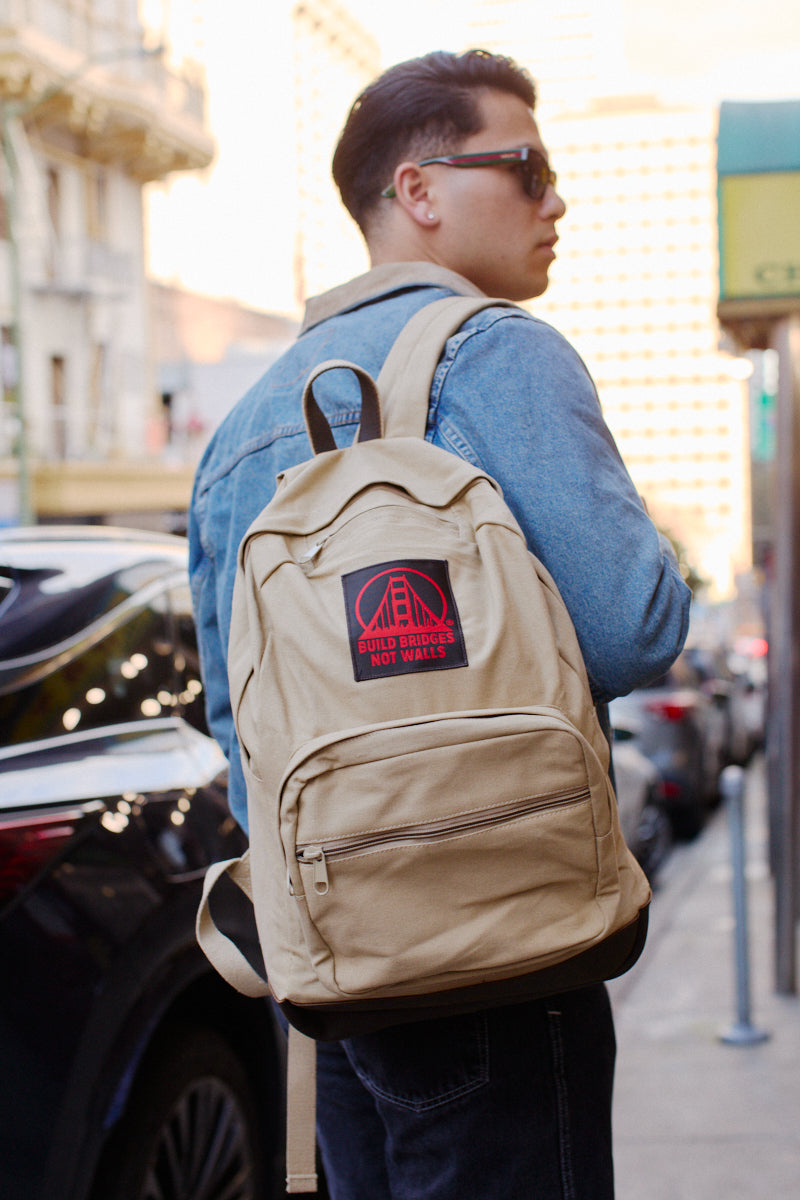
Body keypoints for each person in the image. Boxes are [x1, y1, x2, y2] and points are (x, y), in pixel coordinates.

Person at [189, 48, 691, 1200]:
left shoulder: (244, 423)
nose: (552, 197)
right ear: (418, 191)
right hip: (503, 945)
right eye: (525, 166)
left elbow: (239, 726)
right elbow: (630, 631)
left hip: (337, 976)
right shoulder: (497, 355)